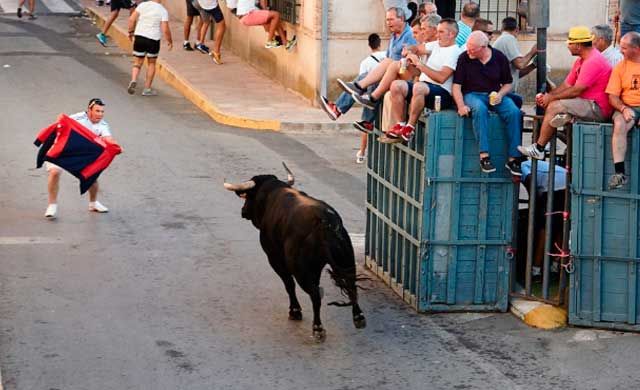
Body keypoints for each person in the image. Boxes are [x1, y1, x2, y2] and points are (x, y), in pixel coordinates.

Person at [518, 26, 613, 160]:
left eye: (570, 43)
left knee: (554, 107)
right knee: (553, 105)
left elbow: (576, 90)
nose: (568, 46)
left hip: (597, 107)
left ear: (578, 46)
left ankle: (539, 148)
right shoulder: (582, 60)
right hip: (587, 103)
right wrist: (548, 97)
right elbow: (566, 85)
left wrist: (550, 98)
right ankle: (563, 119)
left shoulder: (593, 61)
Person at [319, 8, 415, 122]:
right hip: (390, 73)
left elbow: (409, 63)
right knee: (368, 75)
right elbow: (388, 57)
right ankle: (339, 109)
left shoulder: (410, 35)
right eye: (387, 20)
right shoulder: (393, 36)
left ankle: (353, 111)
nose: (388, 23)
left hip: (402, 76)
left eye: (391, 19)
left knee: (372, 79)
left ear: (402, 19)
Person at [452, 31, 523, 175]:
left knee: (514, 112)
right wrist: (460, 105)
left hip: (494, 94)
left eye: (472, 49)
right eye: (468, 47)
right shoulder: (464, 58)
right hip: (472, 94)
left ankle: (513, 158)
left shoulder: (499, 57)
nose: (469, 51)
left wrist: (501, 94)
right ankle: (484, 155)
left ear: (483, 47)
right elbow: (456, 86)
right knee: (479, 109)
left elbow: (508, 83)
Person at [386, 18, 461, 142]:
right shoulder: (437, 44)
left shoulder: (454, 52)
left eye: (441, 32)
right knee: (396, 85)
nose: (437, 35)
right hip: (423, 88)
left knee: (418, 86)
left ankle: (410, 128)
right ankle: (401, 124)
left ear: (451, 34)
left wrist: (419, 65)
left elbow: (441, 78)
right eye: (437, 31)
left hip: (442, 93)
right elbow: (417, 48)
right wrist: (409, 51)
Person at [44, 99, 116, 219]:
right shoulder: (77, 118)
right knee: (55, 172)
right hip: (63, 150)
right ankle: (52, 205)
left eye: (102, 112)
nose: (100, 114)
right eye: (97, 111)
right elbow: (60, 121)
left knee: (92, 176)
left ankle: (93, 204)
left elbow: (108, 139)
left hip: (81, 153)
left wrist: (115, 146)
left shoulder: (103, 125)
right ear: (89, 110)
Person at [351, 13, 440, 110]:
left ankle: (367, 95)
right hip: (417, 79)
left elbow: (417, 52)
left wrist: (410, 54)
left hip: (424, 84)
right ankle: (364, 94)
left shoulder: (437, 44)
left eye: (422, 30)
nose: (421, 33)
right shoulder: (427, 43)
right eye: (421, 30)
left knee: (390, 67)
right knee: (384, 76)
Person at [605, 32, 640, 189]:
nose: (620, 51)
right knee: (619, 123)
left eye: (624, 48)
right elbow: (612, 96)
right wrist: (623, 108)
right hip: (628, 106)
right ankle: (620, 174)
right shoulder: (620, 67)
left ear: (636, 49)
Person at [126, 0, 172, 96]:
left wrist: (130, 32)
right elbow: (165, 29)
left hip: (139, 36)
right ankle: (147, 89)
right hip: (153, 39)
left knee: (137, 62)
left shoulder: (142, 5)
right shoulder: (162, 10)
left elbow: (131, 19)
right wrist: (169, 40)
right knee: (151, 63)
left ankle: (134, 79)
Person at [354, 33, 387, 164]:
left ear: (369, 45)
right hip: (384, 92)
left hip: (371, 96)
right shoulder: (386, 55)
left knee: (366, 124)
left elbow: (362, 80)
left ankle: (362, 153)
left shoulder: (365, 62)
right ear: (380, 44)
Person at [493, 16, 537, 95]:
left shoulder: (503, 39)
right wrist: (533, 51)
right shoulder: (508, 39)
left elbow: (516, 74)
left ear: (501, 29)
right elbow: (520, 64)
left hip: (503, 91)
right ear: (517, 29)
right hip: (502, 93)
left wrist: (533, 65)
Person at [192, 0, 226, 64]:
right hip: (210, 5)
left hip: (203, 4)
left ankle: (200, 43)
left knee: (206, 22)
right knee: (221, 26)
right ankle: (216, 52)